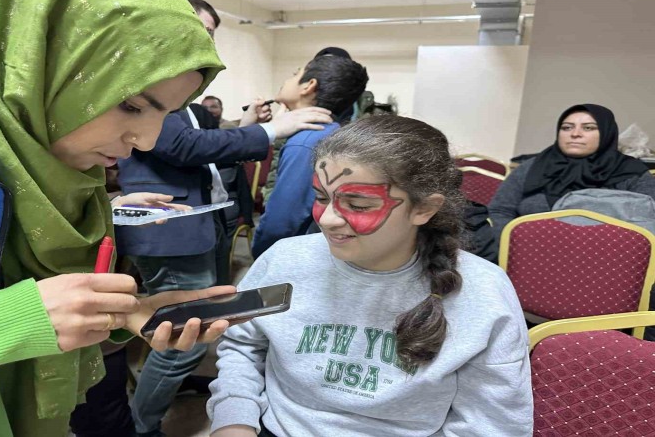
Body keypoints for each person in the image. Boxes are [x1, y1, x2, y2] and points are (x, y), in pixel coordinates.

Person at [0, 0, 237, 436]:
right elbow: (19, 311)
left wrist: (117, 313)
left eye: (166, 114)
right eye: (132, 105)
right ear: (38, 60)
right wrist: (18, 320)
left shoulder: (50, 159)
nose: (148, 141)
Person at [208, 116, 533, 437]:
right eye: (321, 198)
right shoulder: (284, 260)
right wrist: (234, 421)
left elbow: (493, 421)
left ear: (424, 209)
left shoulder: (483, 292)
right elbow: (242, 345)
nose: (328, 219)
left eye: (358, 205)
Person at [116, 0, 334, 437]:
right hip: (170, 228)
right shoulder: (147, 84)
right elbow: (182, 148)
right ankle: (140, 426)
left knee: (197, 327)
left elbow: (201, 148)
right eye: (201, 29)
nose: (206, 41)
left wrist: (245, 125)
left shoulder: (186, 99)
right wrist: (270, 130)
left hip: (204, 224)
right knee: (181, 336)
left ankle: (160, 397)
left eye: (212, 34)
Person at [252, 55, 368, 258]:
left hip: (294, 254)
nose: (287, 80)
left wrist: (262, 254)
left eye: (295, 74)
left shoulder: (305, 141)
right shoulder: (331, 131)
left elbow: (283, 219)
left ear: (309, 86)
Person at [488, 103, 655, 242]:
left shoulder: (632, 173)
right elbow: (500, 210)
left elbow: (647, 225)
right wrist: (514, 246)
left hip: (609, 261)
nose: (575, 134)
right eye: (567, 128)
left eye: (588, 128)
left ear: (606, 133)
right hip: (528, 257)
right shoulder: (533, 166)